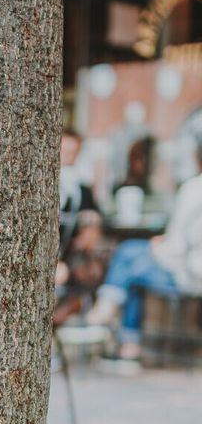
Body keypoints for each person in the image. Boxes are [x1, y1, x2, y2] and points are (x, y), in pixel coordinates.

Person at [86, 136, 202, 360]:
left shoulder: (194, 189)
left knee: (129, 256)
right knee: (131, 265)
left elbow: (178, 246)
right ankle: (125, 338)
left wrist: (157, 246)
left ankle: (105, 315)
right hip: (192, 266)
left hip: (189, 272)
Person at [55, 129, 106, 324]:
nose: (68, 156)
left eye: (72, 152)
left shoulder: (80, 189)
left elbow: (92, 230)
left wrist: (90, 226)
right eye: (64, 150)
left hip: (69, 258)